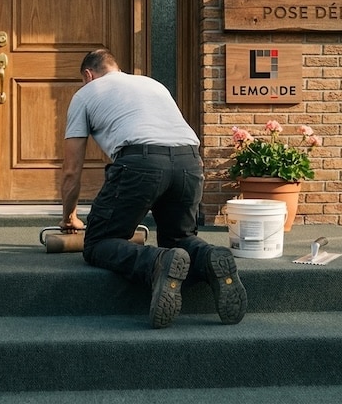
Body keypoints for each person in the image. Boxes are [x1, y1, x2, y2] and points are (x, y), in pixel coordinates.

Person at [59, 49, 247, 329]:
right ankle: (208, 256)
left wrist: (68, 217)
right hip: (190, 162)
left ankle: (158, 261)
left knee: (99, 243)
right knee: (180, 238)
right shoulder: (152, 83)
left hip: (141, 162)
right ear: (116, 67)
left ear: (88, 75)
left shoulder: (86, 93)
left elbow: (72, 170)